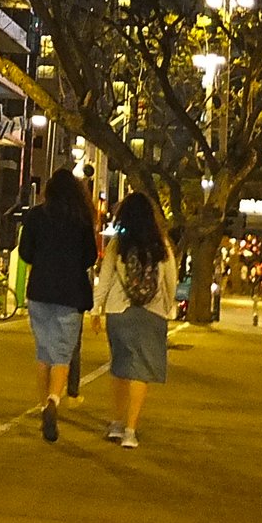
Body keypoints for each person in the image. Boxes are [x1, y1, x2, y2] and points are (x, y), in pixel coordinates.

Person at [91, 191, 178, 448]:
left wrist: (96, 309)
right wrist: (167, 307)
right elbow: (170, 280)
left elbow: (105, 279)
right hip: (152, 313)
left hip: (119, 312)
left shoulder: (118, 244)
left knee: (120, 367)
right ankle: (130, 431)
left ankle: (116, 424)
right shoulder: (161, 244)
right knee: (140, 371)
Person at [17, 167, 98, 442]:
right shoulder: (81, 219)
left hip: (40, 290)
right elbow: (90, 257)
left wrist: (43, 260)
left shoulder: (35, 216)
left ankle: (44, 407)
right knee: (62, 354)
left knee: (43, 352)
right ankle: (54, 399)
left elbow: (25, 252)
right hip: (70, 294)